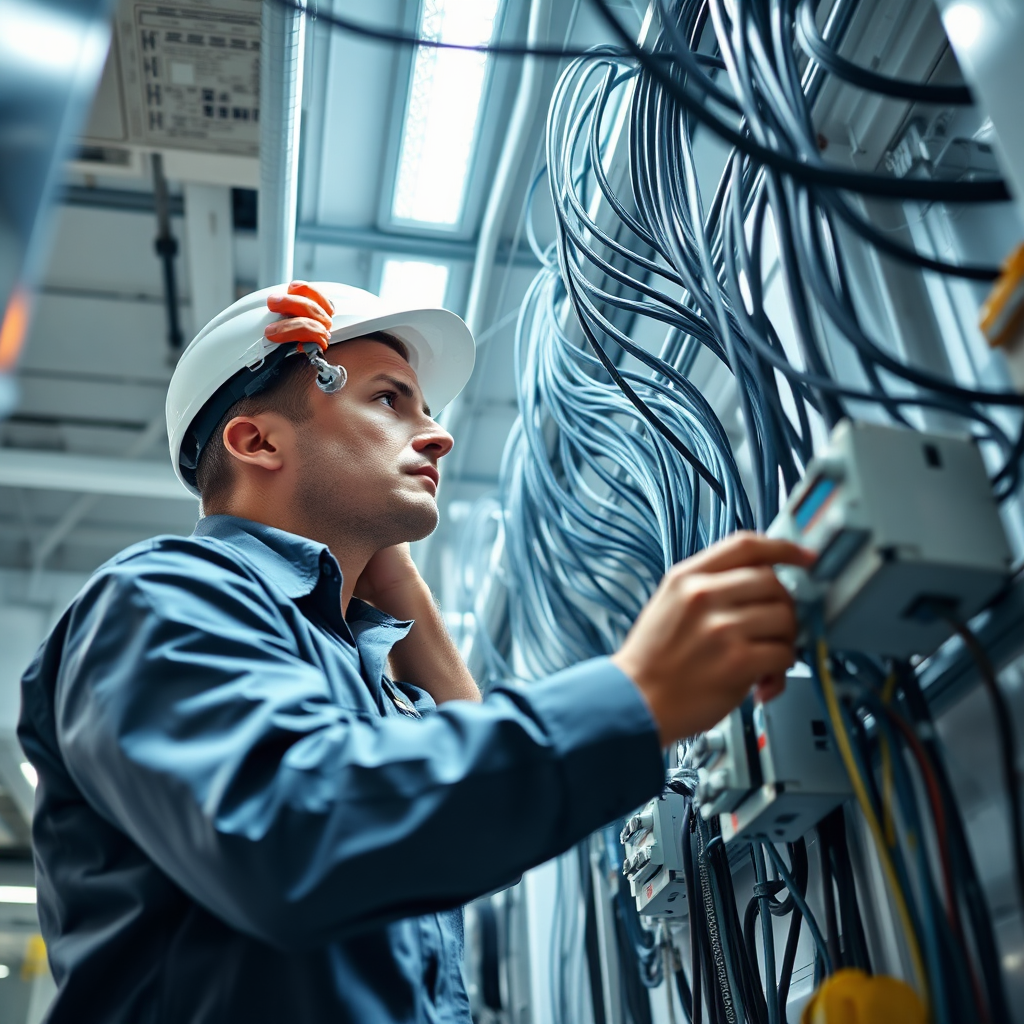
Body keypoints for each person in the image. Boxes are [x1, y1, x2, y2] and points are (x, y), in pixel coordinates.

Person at [18, 281, 813, 1023]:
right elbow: (292, 833)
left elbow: (460, 836)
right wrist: (633, 695)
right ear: (256, 440)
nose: (437, 434)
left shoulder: (345, 661)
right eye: (389, 400)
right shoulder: (162, 599)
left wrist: (400, 595)